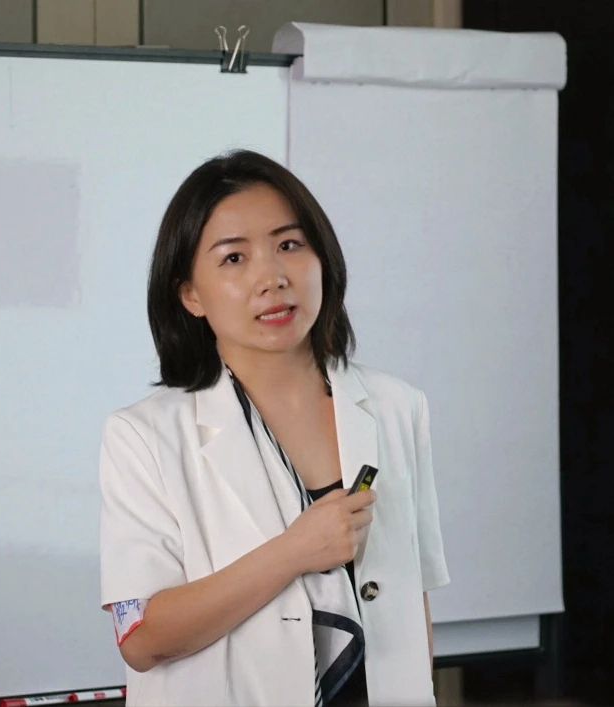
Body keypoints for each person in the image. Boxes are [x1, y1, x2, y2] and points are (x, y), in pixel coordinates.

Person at [98, 149, 450, 707]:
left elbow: (413, 600)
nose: (272, 277)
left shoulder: (396, 406)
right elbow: (141, 637)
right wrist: (294, 551)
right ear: (190, 294)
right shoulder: (142, 436)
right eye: (234, 258)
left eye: (289, 245)